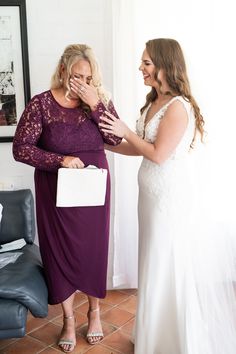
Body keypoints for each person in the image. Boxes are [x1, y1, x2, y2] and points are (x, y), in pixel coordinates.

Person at [99, 38, 236, 354]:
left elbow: (159, 155)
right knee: (152, 262)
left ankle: (174, 340)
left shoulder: (178, 108)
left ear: (164, 65)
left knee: (166, 264)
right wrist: (103, 144)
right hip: (148, 197)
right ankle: (154, 333)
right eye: (142, 62)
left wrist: (124, 131)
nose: (141, 68)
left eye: (146, 62)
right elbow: (138, 148)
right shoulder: (151, 104)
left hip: (169, 200)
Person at [13, 44, 122, 353]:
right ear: (63, 71)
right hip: (55, 192)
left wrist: (96, 104)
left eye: (88, 77)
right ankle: (69, 320)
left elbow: (115, 138)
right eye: (77, 76)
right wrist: (59, 160)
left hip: (92, 190)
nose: (82, 83)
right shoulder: (41, 104)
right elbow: (21, 148)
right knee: (59, 254)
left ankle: (94, 312)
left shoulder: (98, 100)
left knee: (93, 250)